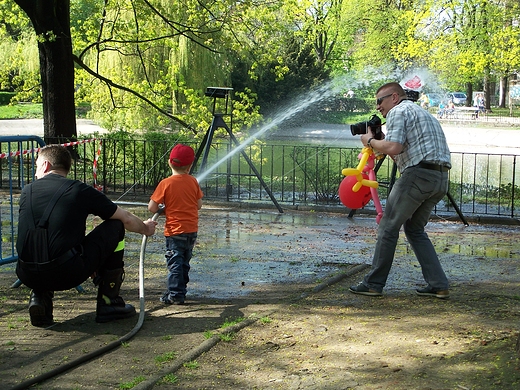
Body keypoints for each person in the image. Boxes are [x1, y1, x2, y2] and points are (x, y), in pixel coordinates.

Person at [16, 145, 157, 327]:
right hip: (67, 273)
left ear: (44, 165)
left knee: (41, 242)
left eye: (36, 167)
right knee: (115, 225)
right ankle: (109, 302)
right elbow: (126, 219)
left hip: (26, 273)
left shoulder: (27, 191)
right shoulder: (78, 190)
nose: (36, 173)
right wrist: (146, 228)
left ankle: (39, 299)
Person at [349, 82, 451, 299]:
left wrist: (370, 140)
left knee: (387, 226)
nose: (378, 107)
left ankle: (373, 284)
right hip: (440, 179)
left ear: (394, 97)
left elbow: (394, 148)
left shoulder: (398, 111)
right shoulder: (422, 113)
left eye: (380, 101)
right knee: (414, 230)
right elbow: (400, 152)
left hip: (418, 176)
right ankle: (438, 284)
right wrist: (379, 143)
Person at [148, 144, 203, 305]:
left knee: (175, 262)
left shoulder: (165, 183)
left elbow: (152, 207)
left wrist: (165, 210)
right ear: (190, 165)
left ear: (169, 162)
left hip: (174, 231)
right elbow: (198, 205)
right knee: (184, 261)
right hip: (191, 230)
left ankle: (175, 294)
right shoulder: (193, 181)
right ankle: (181, 290)